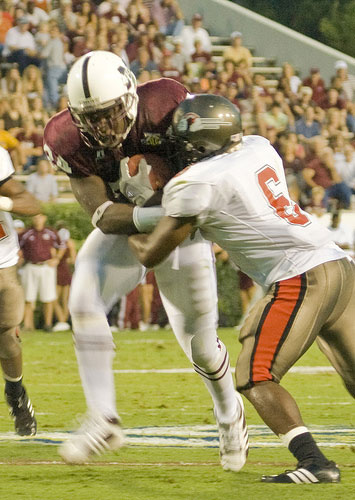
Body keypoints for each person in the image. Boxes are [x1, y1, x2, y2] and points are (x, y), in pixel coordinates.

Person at [128, 94, 354, 484]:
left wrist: (123, 220)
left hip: (300, 275)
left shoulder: (198, 181)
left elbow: (151, 253)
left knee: (255, 374)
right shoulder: (257, 147)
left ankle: (315, 463)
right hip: (339, 266)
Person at [43, 50, 248, 470]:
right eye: (91, 117)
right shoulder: (63, 138)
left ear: (130, 95)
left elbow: (212, 175)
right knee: (83, 300)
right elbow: (103, 216)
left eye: (109, 113)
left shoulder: (166, 105)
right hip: (129, 225)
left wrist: (182, 212)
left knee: (201, 346)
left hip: (182, 233)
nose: (101, 126)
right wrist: (157, 210)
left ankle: (230, 414)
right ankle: (103, 417)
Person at [0, 144, 40, 436]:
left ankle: (15, 393)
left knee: (6, 337)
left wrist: (4, 204)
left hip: (2, 264)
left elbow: (32, 204)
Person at [19, 213, 65, 332]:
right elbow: (17, 248)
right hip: (31, 266)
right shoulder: (26, 234)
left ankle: (47, 324)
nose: (37, 220)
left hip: (46, 266)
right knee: (28, 297)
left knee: (48, 296)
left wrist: (57, 259)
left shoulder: (51, 233)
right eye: (35, 217)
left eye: (39, 217)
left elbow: (62, 245)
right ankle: (28, 324)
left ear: (44, 218)